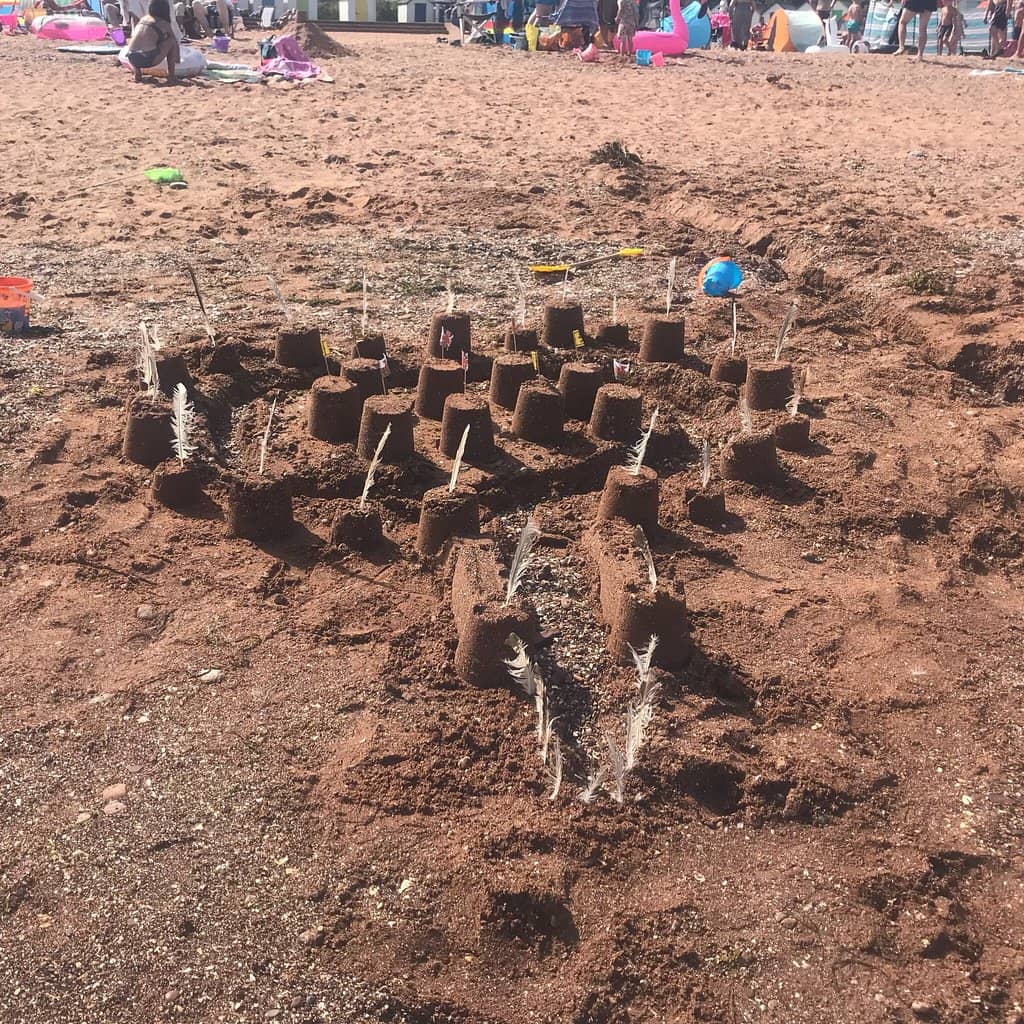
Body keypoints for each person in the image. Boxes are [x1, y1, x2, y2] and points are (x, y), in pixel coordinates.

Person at [125, 0, 179, 82]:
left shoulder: (143, 19)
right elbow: (174, 41)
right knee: (171, 41)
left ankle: (137, 74)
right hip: (148, 59)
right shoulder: (163, 23)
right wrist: (177, 58)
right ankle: (171, 76)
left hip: (132, 58)